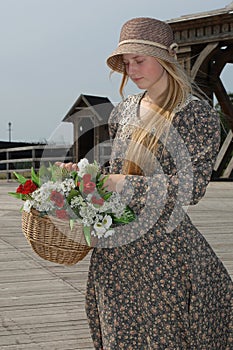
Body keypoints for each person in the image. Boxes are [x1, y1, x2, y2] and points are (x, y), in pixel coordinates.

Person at [59, 17, 233, 349]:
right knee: (119, 332)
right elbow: (111, 172)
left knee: (164, 335)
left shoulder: (195, 114)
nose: (131, 69)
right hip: (115, 251)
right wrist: (83, 182)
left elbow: (191, 187)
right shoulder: (122, 111)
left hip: (164, 254)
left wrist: (124, 183)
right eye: (126, 63)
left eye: (139, 60)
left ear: (167, 57)